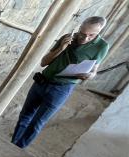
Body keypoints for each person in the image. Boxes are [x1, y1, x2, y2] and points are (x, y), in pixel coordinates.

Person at [11, 16, 109, 149]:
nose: (85, 38)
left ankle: (19, 147)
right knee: (25, 115)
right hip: (42, 81)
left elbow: (94, 71)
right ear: (80, 27)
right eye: (83, 34)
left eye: (92, 35)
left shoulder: (102, 47)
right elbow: (44, 62)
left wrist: (89, 75)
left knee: (38, 122)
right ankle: (12, 144)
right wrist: (61, 48)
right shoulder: (67, 37)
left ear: (99, 32)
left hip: (61, 89)